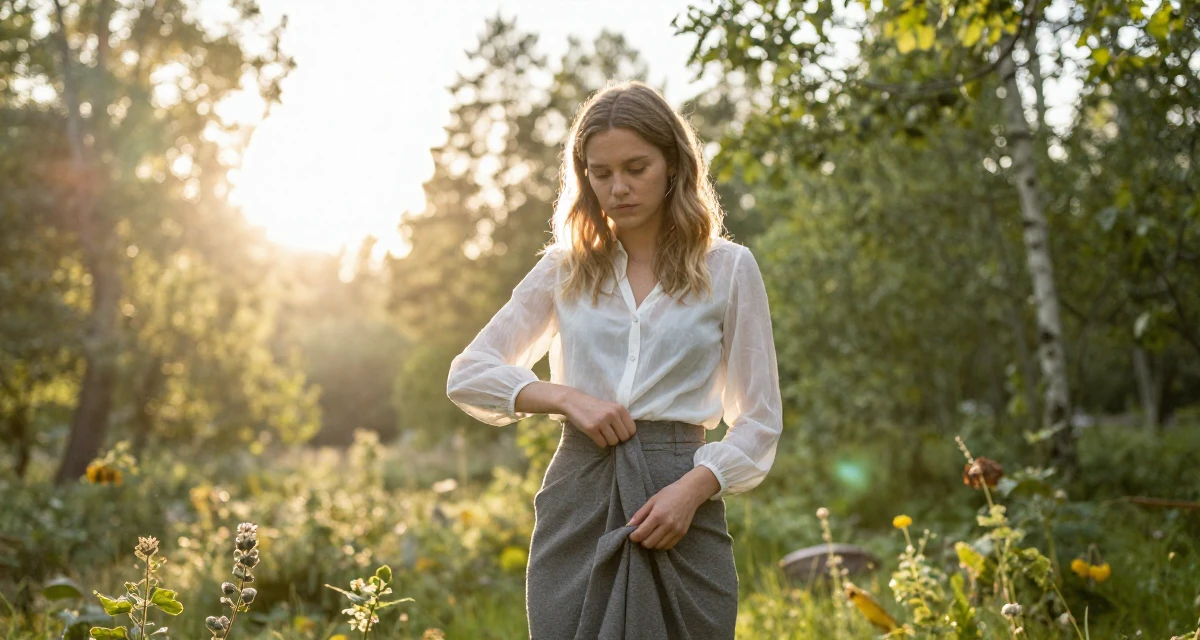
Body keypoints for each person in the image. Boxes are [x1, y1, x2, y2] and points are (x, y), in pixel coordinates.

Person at [445, 80, 783, 639]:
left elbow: (760, 418)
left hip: (679, 500)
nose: (618, 187)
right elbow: (469, 373)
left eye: (635, 167)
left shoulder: (728, 268)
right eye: (600, 173)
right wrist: (564, 397)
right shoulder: (564, 269)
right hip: (580, 493)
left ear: (674, 164)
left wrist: (694, 487)